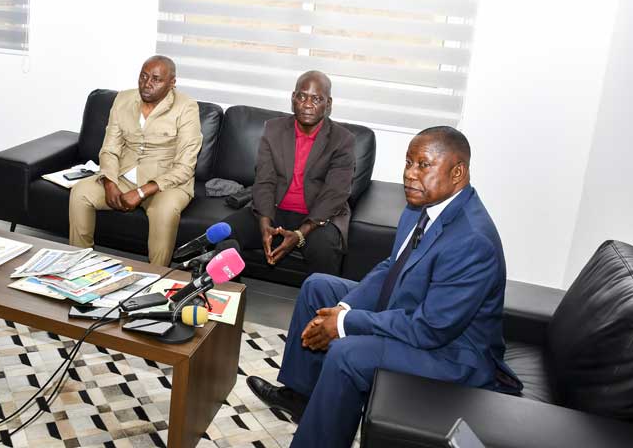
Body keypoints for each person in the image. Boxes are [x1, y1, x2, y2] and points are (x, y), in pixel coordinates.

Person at [246, 126, 520, 448]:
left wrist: (345, 323)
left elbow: (430, 329)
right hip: (415, 311)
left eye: (423, 165)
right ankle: (302, 398)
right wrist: (344, 308)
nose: (409, 174)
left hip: (452, 354)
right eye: (408, 162)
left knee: (346, 353)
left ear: (457, 172)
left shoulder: (472, 240)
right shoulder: (421, 208)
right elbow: (392, 267)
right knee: (317, 288)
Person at [68, 56, 202, 266]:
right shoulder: (123, 99)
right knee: (80, 192)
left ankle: (155, 276)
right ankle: (79, 265)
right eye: (143, 76)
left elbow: (185, 167)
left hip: (166, 185)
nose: (147, 84)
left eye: (156, 79)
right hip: (124, 177)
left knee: (165, 212)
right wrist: (109, 182)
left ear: (172, 83)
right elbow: (109, 149)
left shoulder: (186, 108)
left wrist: (141, 192)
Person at [224, 71, 355, 275]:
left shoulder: (342, 139)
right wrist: (265, 224)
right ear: (293, 98)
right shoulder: (274, 129)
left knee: (324, 250)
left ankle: (319, 297)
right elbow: (264, 180)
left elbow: (335, 193)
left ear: (328, 103)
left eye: (316, 99)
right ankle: (227, 292)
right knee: (224, 235)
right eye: (302, 96)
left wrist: (300, 234)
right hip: (275, 209)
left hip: (317, 218)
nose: (307, 104)